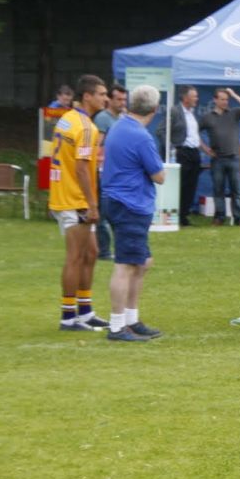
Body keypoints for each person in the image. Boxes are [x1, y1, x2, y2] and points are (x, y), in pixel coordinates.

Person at [100, 85, 166, 342]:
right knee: (125, 265)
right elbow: (159, 176)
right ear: (155, 109)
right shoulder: (141, 136)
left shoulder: (118, 126)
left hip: (116, 200)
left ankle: (131, 318)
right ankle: (117, 326)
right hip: (131, 203)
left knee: (142, 262)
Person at [50, 75, 109, 331]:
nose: (105, 98)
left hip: (67, 195)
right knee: (75, 257)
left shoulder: (68, 118)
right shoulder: (86, 127)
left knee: (91, 252)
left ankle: (85, 311)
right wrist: (92, 204)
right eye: (101, 94)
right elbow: (83, 168)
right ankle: (68, 316)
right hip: (75, 199)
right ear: (87, 96)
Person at [199, 87, 240, 225]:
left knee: (237, 190)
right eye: (222, 99)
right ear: (215, 100)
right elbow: (194, 134)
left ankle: (239, 218)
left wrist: (234, 94)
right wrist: (205, 149)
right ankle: (219, 217)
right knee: (218, 190)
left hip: (234, 158)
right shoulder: (207, 117)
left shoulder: (234, 113)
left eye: (226, 99)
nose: (225, 102)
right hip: (217, 159)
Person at [93, 83, 128, 261]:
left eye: (124, 99)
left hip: (117, 172)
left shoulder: (123, 118)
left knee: (116, 212)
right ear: (110, 100)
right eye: (119, 99)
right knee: (103, 213)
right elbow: (97, 146)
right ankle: (104, 250)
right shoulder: (102, 118)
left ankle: (117, 249)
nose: (122, 102)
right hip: (103, 172)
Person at [168, 85, 203, 226]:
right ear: (185, 97)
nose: (197, 99)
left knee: (191, 186)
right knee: (182, 185)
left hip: (194, 153)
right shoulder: (175, 111)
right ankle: (177, 216)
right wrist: (171, 147)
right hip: (182, 152)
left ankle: (184, 216)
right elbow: (162, 131)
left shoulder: (191, 113)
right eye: (194, 96)